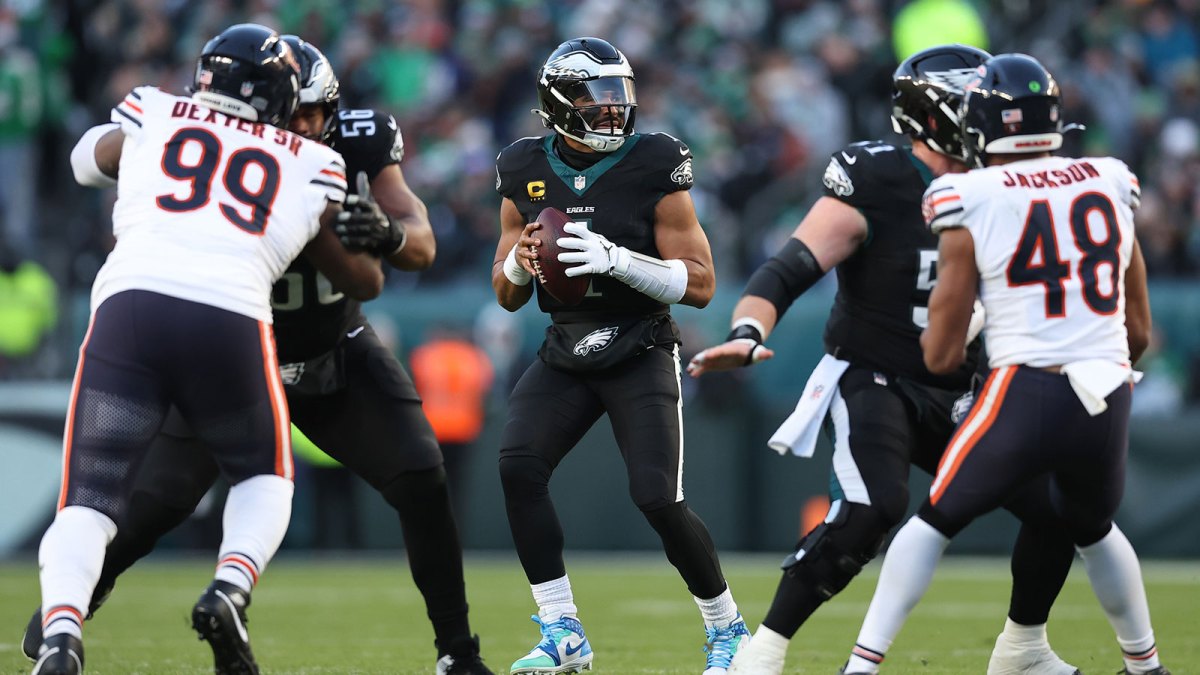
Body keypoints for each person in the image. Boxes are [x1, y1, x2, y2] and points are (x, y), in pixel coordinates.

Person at [23, 34, 495, 675]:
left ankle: (457, 652)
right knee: (149, 511)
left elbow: (416, 242)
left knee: (421, 476)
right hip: (238, 348)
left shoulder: (347, 143)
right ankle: (74, 606)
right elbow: (368, 277)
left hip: (326, 349)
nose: (309, 127)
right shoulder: (286, 157)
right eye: (297, 113)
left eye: (316, 114)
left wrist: (384, 232)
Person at [688, 44, 1083, 675]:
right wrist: (746, 328)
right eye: (971, 105)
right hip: (876, 375)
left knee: (1063, 503)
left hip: (967, 382)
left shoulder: (1006, 178)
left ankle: (1024, 649)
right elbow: (792, 265)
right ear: (932, 115)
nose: (987, 118)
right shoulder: (880, 177)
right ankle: (761, 655)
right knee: (871, 510)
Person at [841, 53, 1169, 675]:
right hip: (1108, 392)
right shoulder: (1110, 178)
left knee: (934, 520)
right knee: (1094, 528)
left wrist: (974, 352)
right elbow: (1139, 330)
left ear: (982, 124)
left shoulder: (966, 194)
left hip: (1027, 392)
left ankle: (860, 666)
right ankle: (1146, 666)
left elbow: (938, 353)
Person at [492, 37, 750, 674]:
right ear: (557, 103)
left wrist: (617, 259)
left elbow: (701, 283)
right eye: (594, 97)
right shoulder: (521, 163)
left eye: (617, 96)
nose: (611, 110)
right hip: (564, 345)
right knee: (518, 467)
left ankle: (729, 629)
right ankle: (563, 631)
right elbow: (503, 293)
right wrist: (521, 267)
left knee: (657, 497)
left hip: (639, 342)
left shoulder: (655, 158)